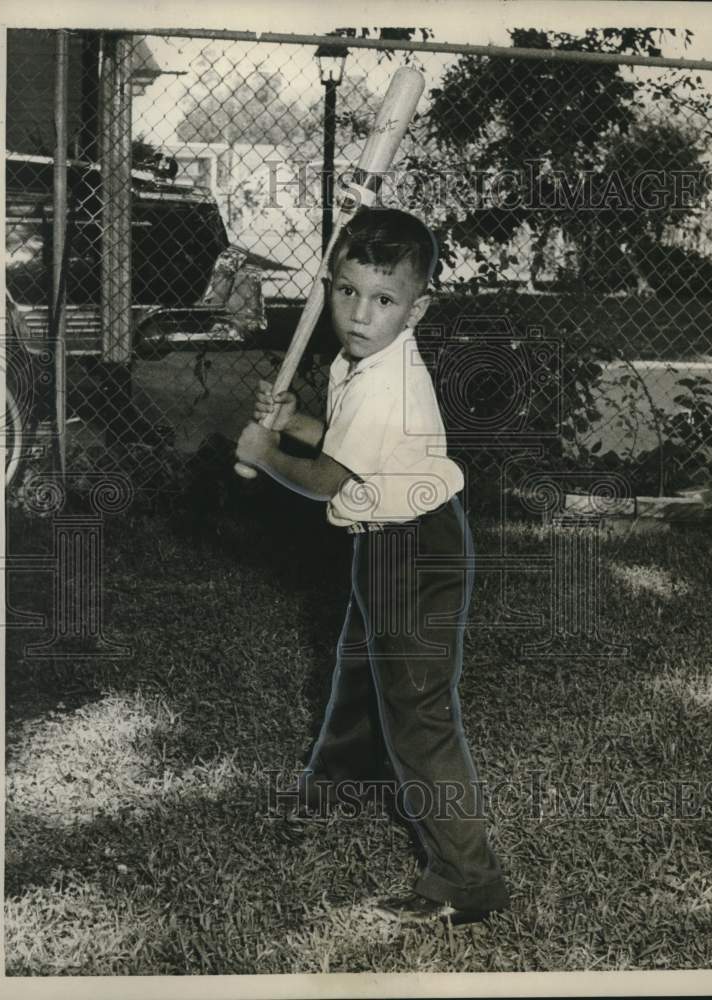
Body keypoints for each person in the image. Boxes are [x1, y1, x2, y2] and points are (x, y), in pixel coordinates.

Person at [234, 208, 509, 926]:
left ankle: (466, 877)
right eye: (346, 291)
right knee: (361, 664)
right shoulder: (363, 359)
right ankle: (341, 783)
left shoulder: (389, 382)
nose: (359, 314)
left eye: (383, 300)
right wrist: (294, 422)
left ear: (417, 308)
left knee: (418, 715)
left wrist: (268, 456)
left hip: (416, 549)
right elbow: (345, 441)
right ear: (329, 285)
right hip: (387, 540)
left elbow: (327, 478)